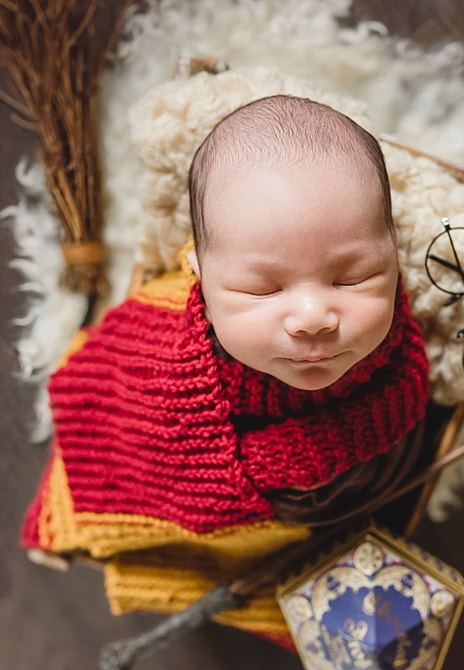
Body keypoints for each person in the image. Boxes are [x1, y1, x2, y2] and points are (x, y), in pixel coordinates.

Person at [22, 95, 430, 641]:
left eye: (351, 278)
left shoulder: (396, 364)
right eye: (262, 288)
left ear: (394, 252)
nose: (312, 317)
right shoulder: (172, 361)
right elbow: (118, 395)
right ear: (200, 276)